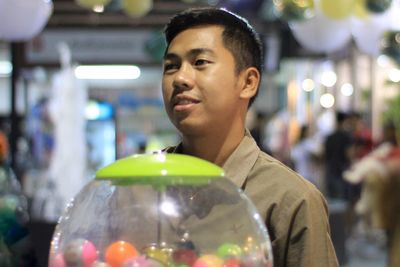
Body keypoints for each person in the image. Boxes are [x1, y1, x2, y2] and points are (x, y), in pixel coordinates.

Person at [161, 7, 338, 267]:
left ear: (248, 82)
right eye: (171, 66)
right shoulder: (145, 188)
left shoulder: (289, 200)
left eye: (200, 62)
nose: (180, 78)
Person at [324, 111, 355, 201]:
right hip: (342, 171)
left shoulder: (329, 137)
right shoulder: (347, 137)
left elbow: (324, 155)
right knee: (343, 201)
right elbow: (349, 154)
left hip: (330, 171)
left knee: (332, 199)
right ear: (344, 121)